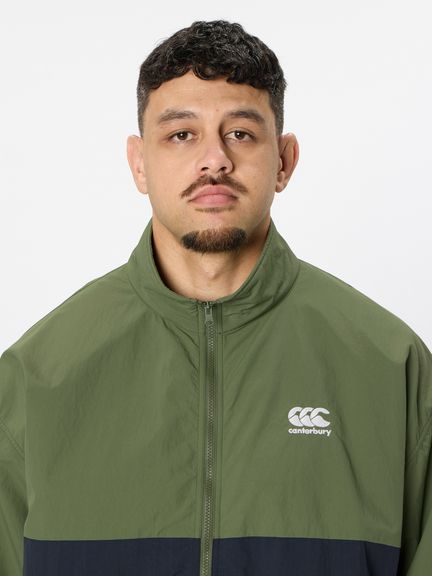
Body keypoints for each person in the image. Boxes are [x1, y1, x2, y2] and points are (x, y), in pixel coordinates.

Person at [0, 19, 430, 576]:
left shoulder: (392, 366)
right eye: (182, 134)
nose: (214, 160)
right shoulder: (37, 376)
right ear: (138, 163)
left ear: (284, 161)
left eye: (241, 134)